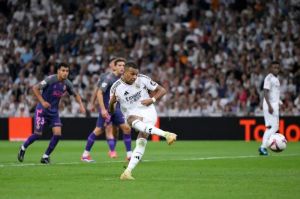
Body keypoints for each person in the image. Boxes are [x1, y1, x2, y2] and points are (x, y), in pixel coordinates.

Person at [109, 62, 177, 180]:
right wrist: (111, 102)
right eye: (132, 74)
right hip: (132, 113)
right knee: (134, 127)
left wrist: (152, 99)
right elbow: (111, 111)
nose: (135, 77)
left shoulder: (142, 79)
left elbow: (162, 90)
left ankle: (127, 172)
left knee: (141, 138)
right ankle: (166, 134)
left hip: (148, 111)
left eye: (136, 74)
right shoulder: (116, 87)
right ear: (124, 72)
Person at [17, 63, 86, 164]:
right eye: (63, 70)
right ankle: (23, 147)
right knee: (37, 134)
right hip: (42, 110)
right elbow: (35, 88)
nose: (65, 73)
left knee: (57, 134)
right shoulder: (50, 79)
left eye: (67, 71)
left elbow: (76, 94)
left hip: (53, 112)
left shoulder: (67, 83)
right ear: (58, 71)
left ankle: (45, 156)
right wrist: (43, 102)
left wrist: (81, 105)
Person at [81, 58, 132, 162]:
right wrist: (103, 109)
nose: (122, 67)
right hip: (107, 109)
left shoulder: (122, 79)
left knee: (126, 129)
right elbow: (99, 92)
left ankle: (129, 156)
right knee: (99, 130)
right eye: (120, 65)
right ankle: (85, 155)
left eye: (123, 65)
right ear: (115, 66)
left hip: (116, 109)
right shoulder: (109, 78)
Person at [259, 61, 281, 155]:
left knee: (270, 128)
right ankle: (264, 146)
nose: (276, 69)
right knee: (275, 126)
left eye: (277, 67)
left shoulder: (276, 79)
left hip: (274, 104)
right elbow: (265, 92)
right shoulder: (269, 78)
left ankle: (263, 147)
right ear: (270, 68)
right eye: (274, 67)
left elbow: (275, 93)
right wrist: (269, 106)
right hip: (270, 105)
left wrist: (280, 102)